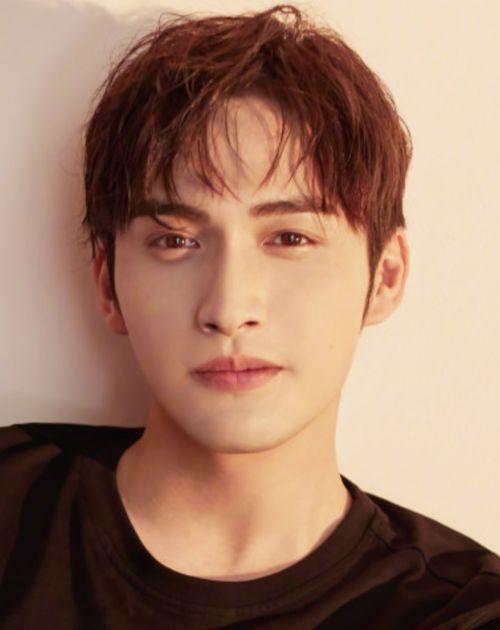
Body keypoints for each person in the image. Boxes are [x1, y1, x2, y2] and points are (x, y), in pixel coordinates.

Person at [1, 4, 498, 628]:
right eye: (175, 241)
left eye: (290, 238)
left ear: (386, 275)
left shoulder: (458, 611)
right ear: (108, 285)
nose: (229, 309)